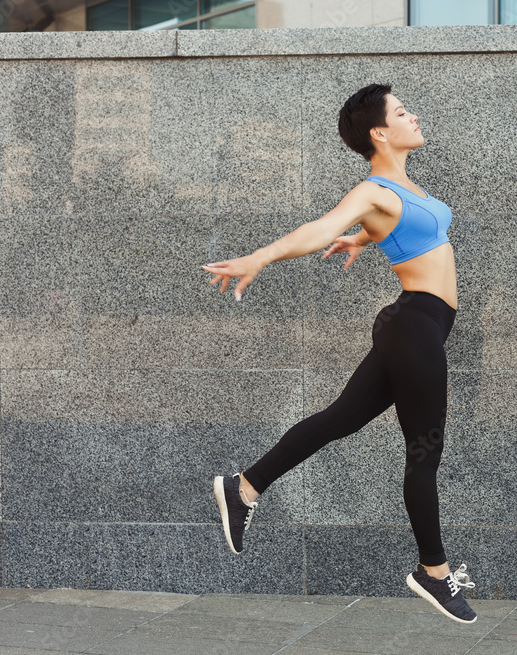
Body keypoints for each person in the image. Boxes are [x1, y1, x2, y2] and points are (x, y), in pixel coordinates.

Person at [201, 83, 477, 624]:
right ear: (380, 133)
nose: (414, 117)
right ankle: (433, 572)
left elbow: (409, 229)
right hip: (414, 327)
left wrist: (366, 239)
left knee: (338, 420)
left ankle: (244, 487)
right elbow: (321, 228)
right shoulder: (373, 190)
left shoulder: (404, 191)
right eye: (402, 112)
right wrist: (261, 257)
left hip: (417, 327)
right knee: (423, 455)